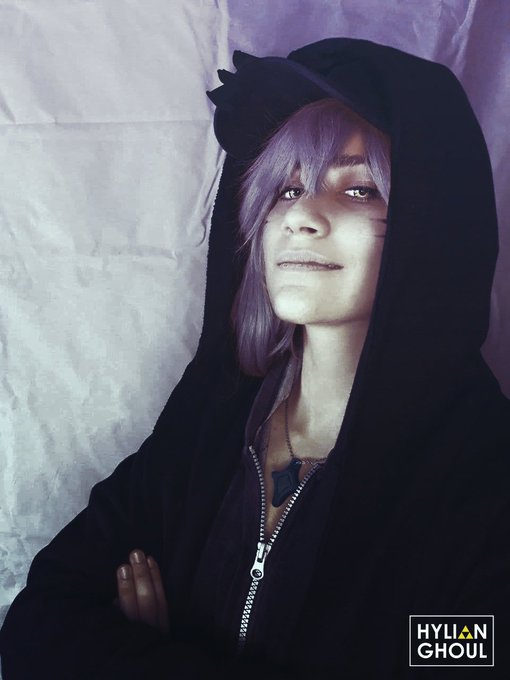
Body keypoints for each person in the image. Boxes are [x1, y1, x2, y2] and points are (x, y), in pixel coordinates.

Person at [1, 38, 509, 680]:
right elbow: (37, 625)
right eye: (287, 188)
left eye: (358, 190)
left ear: (436, 226)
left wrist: (147, 652)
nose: (301, 216)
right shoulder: (209, 422)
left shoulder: (484, 481)